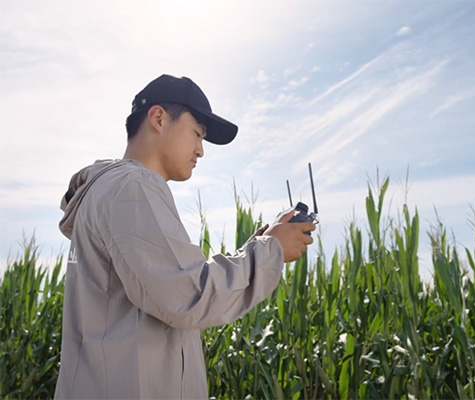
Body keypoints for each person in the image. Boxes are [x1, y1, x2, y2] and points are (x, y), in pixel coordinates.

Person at [54, 74, 316, 399]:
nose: (201, 150)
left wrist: (260, 243)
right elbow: (189, 296)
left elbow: (173, 285)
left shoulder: (113, 191)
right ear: (159, 119)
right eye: (197, 134)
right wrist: (271, 251)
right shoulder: (133, 187)